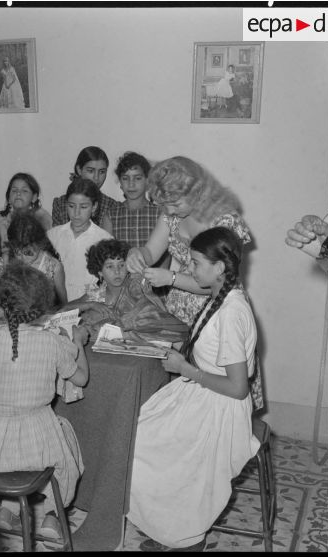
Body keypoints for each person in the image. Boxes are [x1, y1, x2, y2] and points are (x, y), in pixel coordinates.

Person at [128, 227, 260, 552]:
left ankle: (188, 539)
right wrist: (168, 277)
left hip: (221, 407)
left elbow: (238, 387)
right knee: (137, 432)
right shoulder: (222, 293)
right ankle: (172, 528)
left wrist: (185, 369)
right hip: (204, 394)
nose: (193, 269)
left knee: (148, 449)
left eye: (198, 263)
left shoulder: (231, 314)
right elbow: (193, 286)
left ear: (219, 268)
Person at [0, 262, 88, 538]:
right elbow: (80, 380)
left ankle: (7, 510)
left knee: (14, 459)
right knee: (66, 444)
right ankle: (53, 516)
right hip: (36, 443)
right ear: (42, 304)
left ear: (2, 301)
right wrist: (78, 342)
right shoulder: (50, 342)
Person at [126, 156, 252, 327]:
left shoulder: (225, 221)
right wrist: (136, 253)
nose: (169, 210)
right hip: (182, 313)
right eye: (164, 204)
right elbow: (150, 252)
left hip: (219, 314)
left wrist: (171, 278)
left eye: (176, 204)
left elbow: (217, 282)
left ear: (197, 193)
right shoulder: (171, 214)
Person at [61, 239, 188, 342]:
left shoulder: (136, 286)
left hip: (140, 347)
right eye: (110, 266)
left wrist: (119, 326)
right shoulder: (96, 294)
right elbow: (62, 311)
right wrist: (90, 304)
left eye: (121, 265)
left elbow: (154, 317)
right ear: (100, 272)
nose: (117, 271)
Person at [48, 178, 113, 300]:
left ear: (94, 207)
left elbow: (108, 283)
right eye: (71, 206)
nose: (76, 213)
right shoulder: (52, 236)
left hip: (89, 306)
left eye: (83, 207)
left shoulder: (105, 240)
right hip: (55, 306)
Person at [8, 213, 68, 306]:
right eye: (17, 253)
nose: (23, 259)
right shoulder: (10, 261)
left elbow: (63, 301)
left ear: (39, 244)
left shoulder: (53, 267)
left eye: (28, 253)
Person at [52, 146, 119, 228]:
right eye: (90, 171)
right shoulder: (61, 204)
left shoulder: (112, 206)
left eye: (102, 172)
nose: (96, 177)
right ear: (79, 170)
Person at [0, 172, 52, 258]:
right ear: (9, 198)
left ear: (34, 197)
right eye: (14, 190)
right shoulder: (1, 219)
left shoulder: (42, 219)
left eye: (24, 191)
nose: (18, 193)